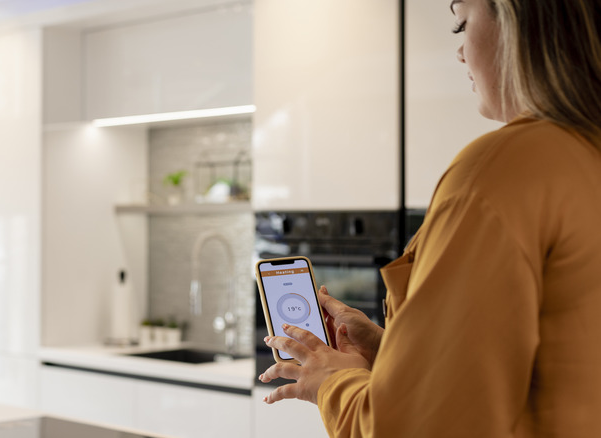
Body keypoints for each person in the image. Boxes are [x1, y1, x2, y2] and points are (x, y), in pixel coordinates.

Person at [258, 0, 601, 436]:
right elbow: (543, 371)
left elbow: (414, 427)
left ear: (516, 22)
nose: (459, 53)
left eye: (460, 26)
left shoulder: (500, 169)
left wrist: (331, 381)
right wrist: (390, 351)